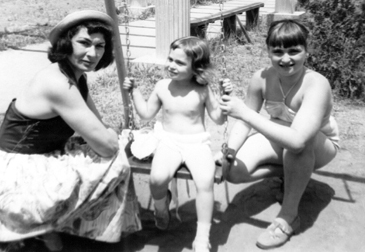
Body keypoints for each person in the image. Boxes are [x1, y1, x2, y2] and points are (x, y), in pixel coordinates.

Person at [0, 10, 141, 251]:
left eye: (100, 46)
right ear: (66, 43)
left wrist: (108, 134)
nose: (92, 53)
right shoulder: (58, 83)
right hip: (16, 170)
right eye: (83, 42)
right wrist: (111, 137)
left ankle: (58, 230)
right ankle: (54, 229)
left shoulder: (75, 77)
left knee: (109, 153)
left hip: (40, 154)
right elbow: (106, 143)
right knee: (116, 162)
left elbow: (98, 124)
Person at [218, 19, 339, 250]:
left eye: (294, 51)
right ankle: (295, 175)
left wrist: (244, 113)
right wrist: (230, 150)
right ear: (268, 52)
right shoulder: (260, 78)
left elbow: (297, 139)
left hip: (320, 145)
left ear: (306, 51)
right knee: (231, 171)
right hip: (280, 137)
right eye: (278, 52)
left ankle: (289, 216)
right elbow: (244, 122)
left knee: (299, 145)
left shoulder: (316, 83)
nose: (286, 59)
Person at [123, 36, 232, 252]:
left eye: (180, 63)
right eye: (170, 59)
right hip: (169, 141)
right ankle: (162, 208)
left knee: (205, 180)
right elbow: (145, 114)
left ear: (196, 67)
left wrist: (226, 97)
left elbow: (218, 119)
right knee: (157, 178)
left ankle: (202, 236)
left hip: (197, 143)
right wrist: (134, 91)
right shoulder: (162, 86)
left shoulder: (203, 90)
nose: (172, 65)